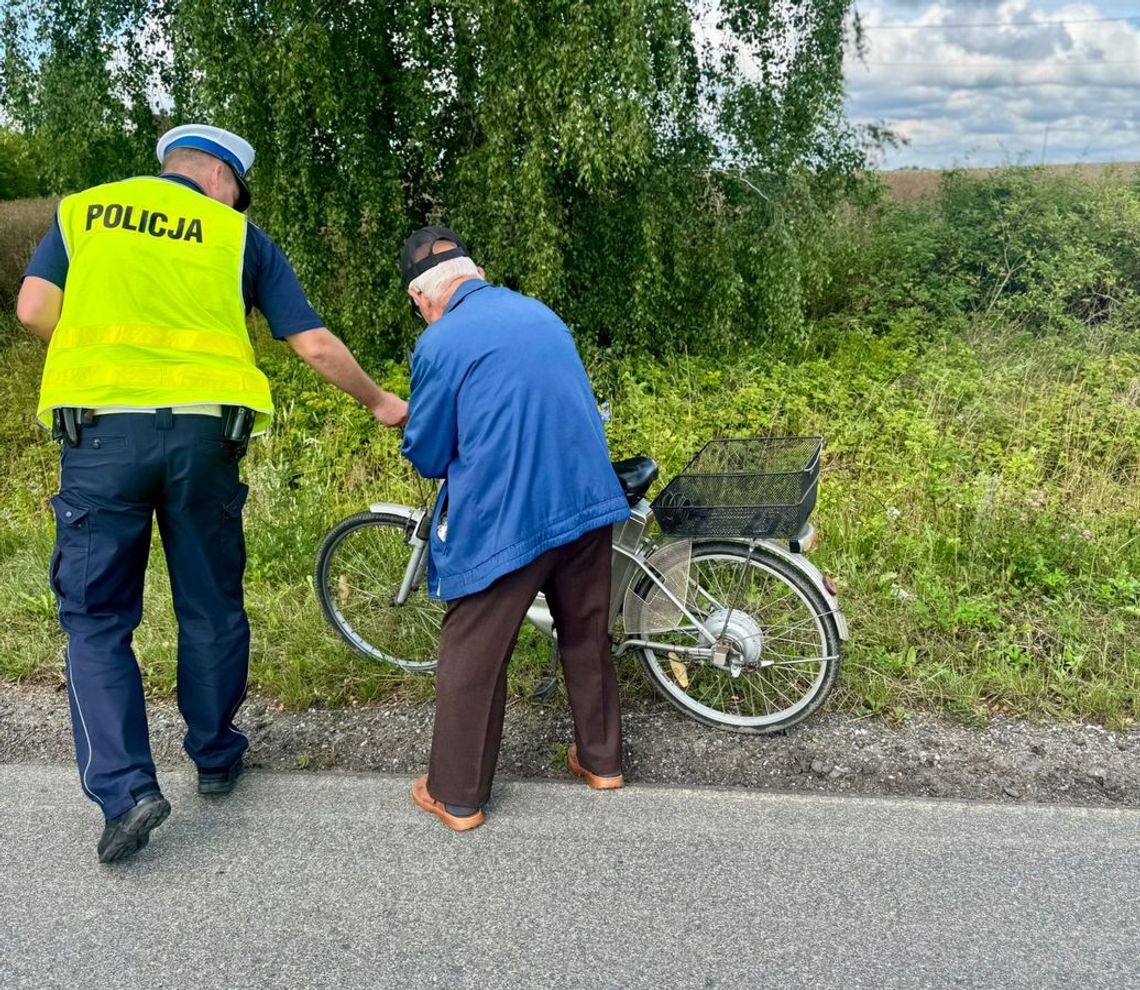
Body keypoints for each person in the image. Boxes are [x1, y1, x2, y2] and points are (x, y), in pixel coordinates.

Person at [15, 123, 407, 863]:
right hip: (204, 441)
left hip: (100, 439)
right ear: (224, 180)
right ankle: (216, 754)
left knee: (96, 620)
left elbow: (34, 310)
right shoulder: (235, 237)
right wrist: (384, 403)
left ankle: (127, 792)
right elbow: (314, 343)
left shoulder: (84, 213)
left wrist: (103, 354)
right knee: (210, 602)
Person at [399, 227, 631, 831]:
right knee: (584, 633)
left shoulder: (441, 340)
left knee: (471, 652)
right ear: (474, 274)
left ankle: (457, 795)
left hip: (508, 517)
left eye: (418, 307)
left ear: (423, 297)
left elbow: (427, 454)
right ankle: (602, 761)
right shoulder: (541, 314)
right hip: (586, 502)